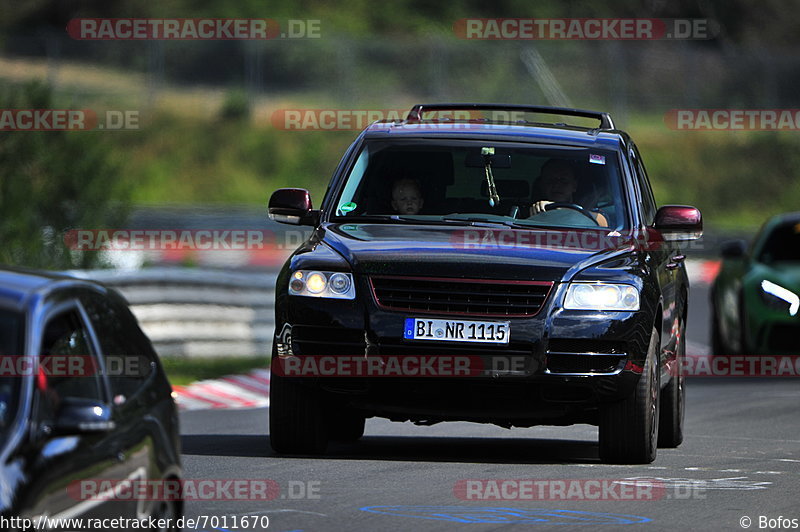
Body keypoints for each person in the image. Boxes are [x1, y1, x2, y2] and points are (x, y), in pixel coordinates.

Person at [530, 159, 608, 226]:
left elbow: (603, 224)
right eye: (550, 180)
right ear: (542, 185)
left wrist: (558, 208)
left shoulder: (591, 215)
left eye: (563, 180)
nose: (557, 185)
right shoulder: (526, 212)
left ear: (574, 186)